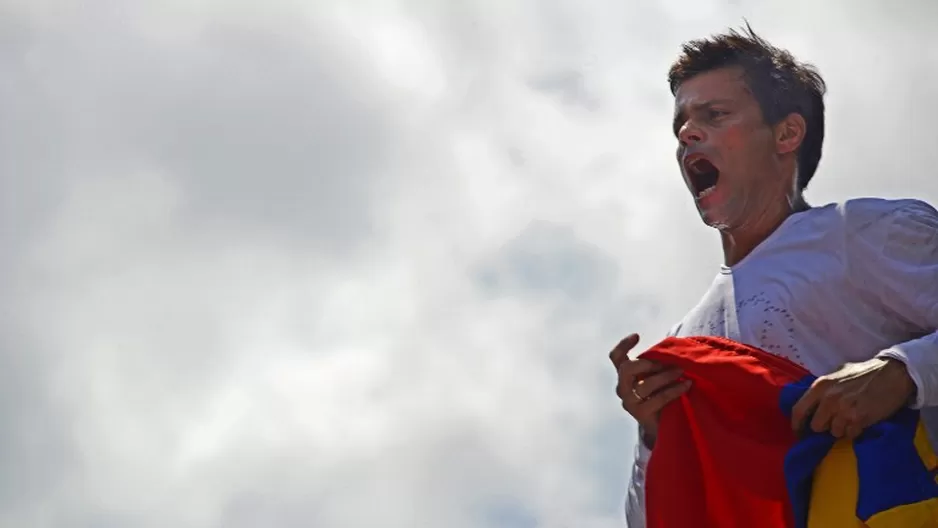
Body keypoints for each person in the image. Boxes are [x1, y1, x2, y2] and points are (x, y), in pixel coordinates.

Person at [609, 25, 938, 527]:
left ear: (787, 134)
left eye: (714, 116)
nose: (686, 134)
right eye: (681, 124)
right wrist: (656, 438)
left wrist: (902, 372)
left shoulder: (866, 232)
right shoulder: (686, 342)